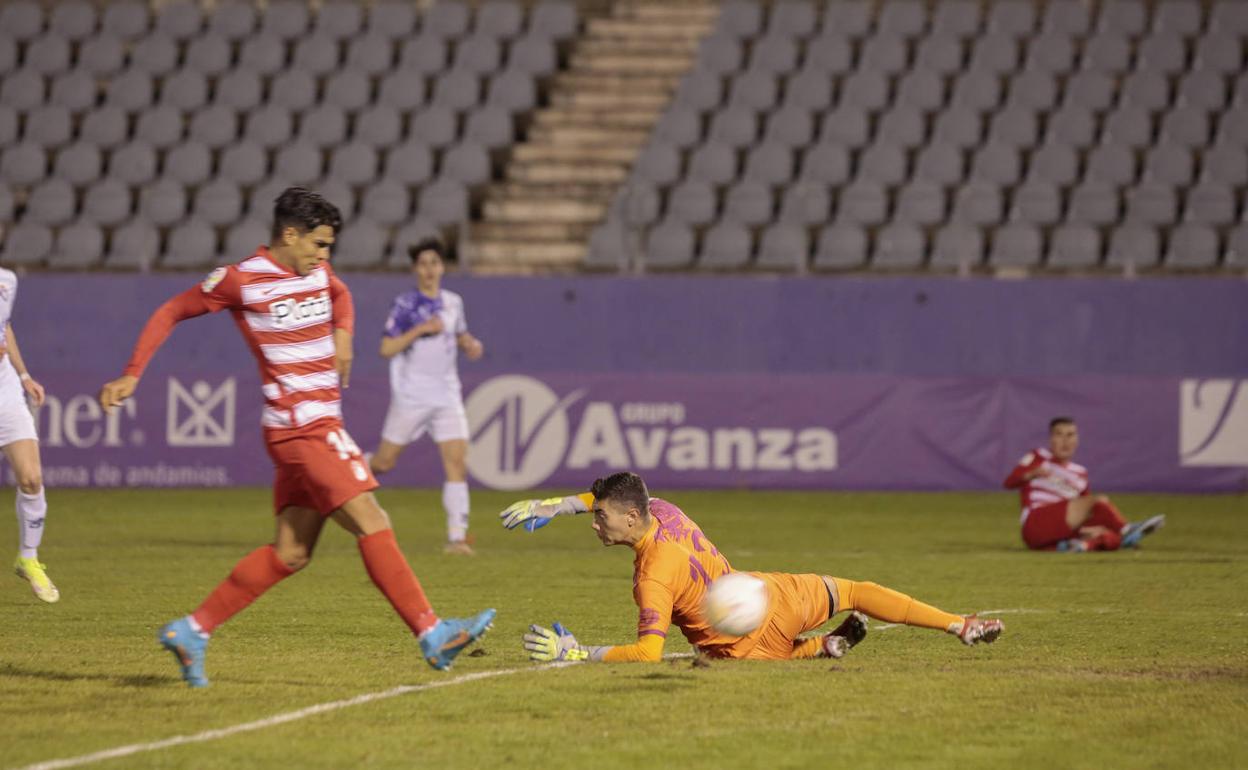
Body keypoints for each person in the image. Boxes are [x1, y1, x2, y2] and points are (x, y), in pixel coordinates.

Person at [97, 187, 493, 688]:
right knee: (373, 519)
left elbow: (340, 294)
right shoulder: (242, 280)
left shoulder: (317, 271)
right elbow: (171, 310)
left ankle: (192, 631)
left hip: (307, 429)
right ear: (290, 234)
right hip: (304, 427)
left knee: (291, 553)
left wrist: (344, 337)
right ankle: (432, 633)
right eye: (319, 244)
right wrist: (132, 373)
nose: (324, 256)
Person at [498, 472, 1003, 663]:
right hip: (766, 594)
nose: (594, 522)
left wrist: (578, 653)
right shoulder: (663, 509)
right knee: (854, 589)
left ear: (631, 518)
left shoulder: (652, 576)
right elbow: (610, 495)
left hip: (740, 641)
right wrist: (555, 506)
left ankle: (816, 649)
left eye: (600, 517)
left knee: (741, 658)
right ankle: (960, 625)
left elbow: (649, 654)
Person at [368, 238, 483, 556]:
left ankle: (457, 538)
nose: (429, 269)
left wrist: (469, 344)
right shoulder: (406, 305)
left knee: (457, 462)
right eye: (423, 263)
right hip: (411, 395)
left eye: (434, 262)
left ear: (442, 267)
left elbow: (459, 333)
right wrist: (419, 329)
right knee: (384, 463)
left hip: (447, 394)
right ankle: (352, 471)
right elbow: (386, 348)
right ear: (415, 269)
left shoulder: (453, 302)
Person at [1004, 416, 1166, 552]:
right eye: (1059, 435)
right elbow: (1009, 482)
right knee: (1099, 501)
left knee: (1105, 529)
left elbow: (1088, 509)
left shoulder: (1080, 472)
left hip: (1061, 530)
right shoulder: (1038, 456)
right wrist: (1031, 474)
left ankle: (1081, 546)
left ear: (1077, 440)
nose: (1065, 441)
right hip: (1036, 523)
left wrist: (1095, 528)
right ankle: (1126, 530)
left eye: (1070, 435)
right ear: (1051, 439)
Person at [0, 268, 57, 603]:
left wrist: (23, 375)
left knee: (32, 478)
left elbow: (5, 326)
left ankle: (28, 557)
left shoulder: (7, 281)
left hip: (5, 389)